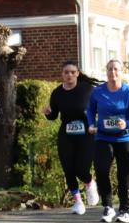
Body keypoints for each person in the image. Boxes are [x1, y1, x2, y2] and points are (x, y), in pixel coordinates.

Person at [86, 59, 129, 223]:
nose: (113, 72)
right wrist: (91, 123)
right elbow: (90, 109)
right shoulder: (98, 92)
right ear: (106, 72)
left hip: (126, 138)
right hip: (104, 137)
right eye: (110, 69)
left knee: (123, 174)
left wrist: (127, 124)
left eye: (116, 69)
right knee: (101, 169)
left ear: (122, 72)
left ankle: (124, 210)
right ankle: (108, 207)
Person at [42, 60, 99, 214]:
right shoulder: (57, 93)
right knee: (68, 168)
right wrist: (48, 113)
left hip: (86, 133)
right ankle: (78, 202)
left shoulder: (87, 90)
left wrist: (94, 120)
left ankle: (89, 182)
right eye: (66, 72)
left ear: (77, 74)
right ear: (62, 74)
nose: (69, 75)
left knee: (81, 169)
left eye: (72, 72)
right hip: (66, 133)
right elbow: (54, 115)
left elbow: (99, 107)